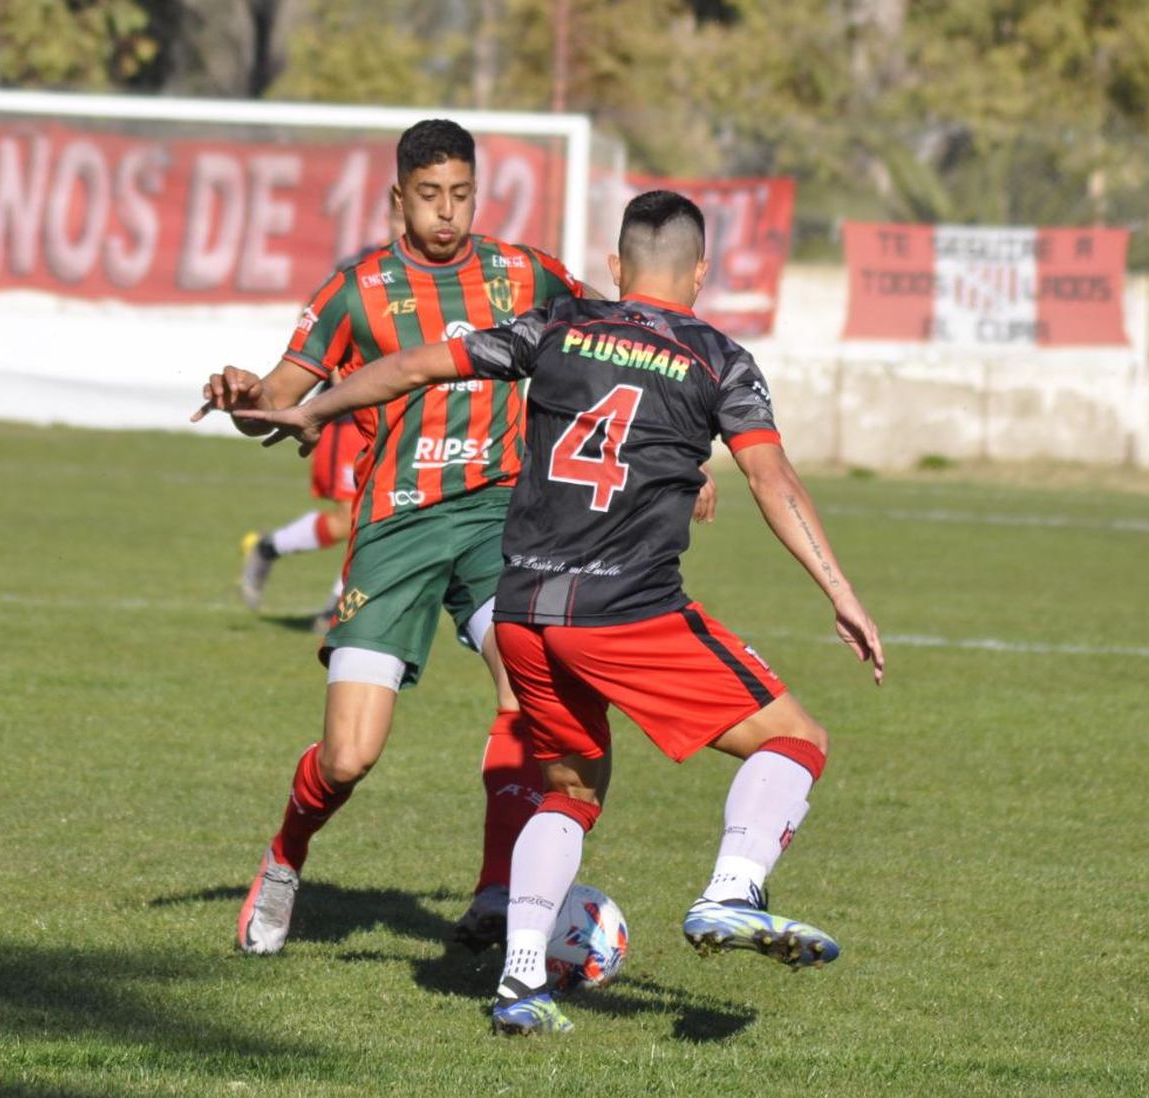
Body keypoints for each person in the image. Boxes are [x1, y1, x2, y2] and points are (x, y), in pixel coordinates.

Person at [233, 190, 885, 1036]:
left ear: (617, 268)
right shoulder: (717, 357)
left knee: (572, 789)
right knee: (796, 738)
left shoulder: (559, 326)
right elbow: (773, 478)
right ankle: (733, 890)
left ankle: (522, 980)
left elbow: (420, 365)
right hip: (626, 611)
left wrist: (314, 407)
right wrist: (840, 590)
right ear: (701, 272)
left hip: (525, 609)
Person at [193, 118, 591, 955]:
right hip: (397, 526)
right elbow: (278, 407)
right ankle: (285, 857)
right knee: (348, 757)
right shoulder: (357, 289)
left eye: (460, 194)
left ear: (476, 194)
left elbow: (611, 349)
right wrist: (240, 394)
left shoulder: (526, 273)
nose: (446, 213)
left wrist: (681, 461)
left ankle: (494, 891)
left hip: (496, 520)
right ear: (397, 199)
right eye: (428, 196)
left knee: (527, 684)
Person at [237, 194, 408, 621]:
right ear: (388, 217)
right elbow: (316, 330)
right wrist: (341, 386)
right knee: (352, 518)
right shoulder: (357, 273)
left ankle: (337, 604)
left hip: (403, 421)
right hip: (348, 419)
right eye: (399, 217)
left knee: (385, 515)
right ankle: (270, 549)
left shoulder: (435, 279)